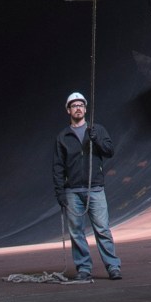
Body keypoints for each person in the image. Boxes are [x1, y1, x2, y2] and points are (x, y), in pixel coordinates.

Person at [54, 91, 121, 281]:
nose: (78, 108)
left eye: (81, 105)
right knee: (76, 232)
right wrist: (59, 192)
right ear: (68, 110)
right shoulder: (63, 137)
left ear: (85, 109)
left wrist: (96, 139)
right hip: (72, 192)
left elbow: (109, 151)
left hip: (95, 189)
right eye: (74, 106)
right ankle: (83, 268)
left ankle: (113, 267)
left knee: (102, 229)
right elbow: (58, 166)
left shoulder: (97, 130)